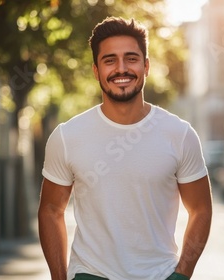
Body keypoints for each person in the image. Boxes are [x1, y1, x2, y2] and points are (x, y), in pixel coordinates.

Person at [38, 17, 212, 280]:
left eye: (131, 58)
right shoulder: (67, 136)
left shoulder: (179, 134)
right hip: (91, 274)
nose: (121, 69)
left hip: (160, 275)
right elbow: (51, 210)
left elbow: (201, 209)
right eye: (110, 60)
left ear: (146, 66)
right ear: (96, 70)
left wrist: (182, 274)